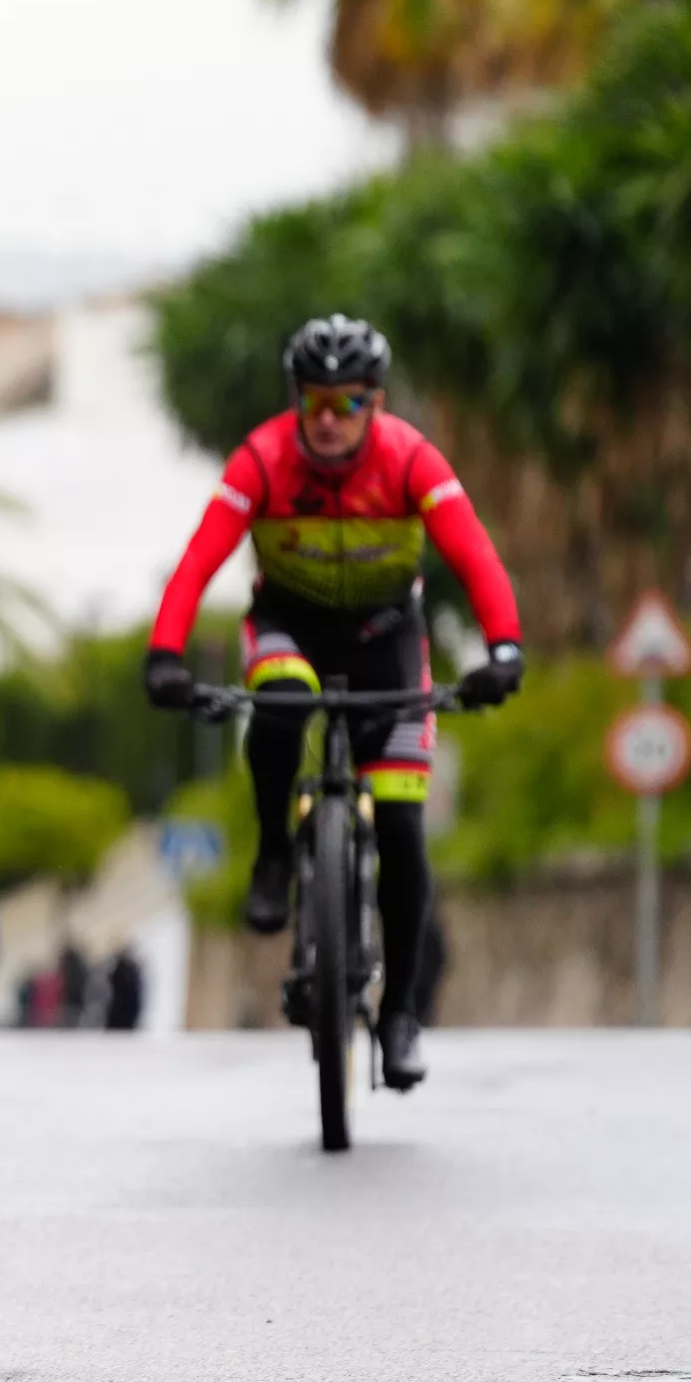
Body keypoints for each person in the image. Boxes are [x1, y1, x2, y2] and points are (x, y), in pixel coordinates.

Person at [142, 315, 525, 1088]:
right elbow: (198, 560)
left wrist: (504, 646)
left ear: (374, 404)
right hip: (292, 625)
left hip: (389, 637)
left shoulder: (410, 457)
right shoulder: (263, 457)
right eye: (315, 402)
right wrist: (165, 652)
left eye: (347, 405)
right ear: (298, 399)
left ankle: (402, 1015)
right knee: (279, 701)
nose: (328, 420)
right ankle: (277, 853)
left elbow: (473, 551)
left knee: (408, 832)